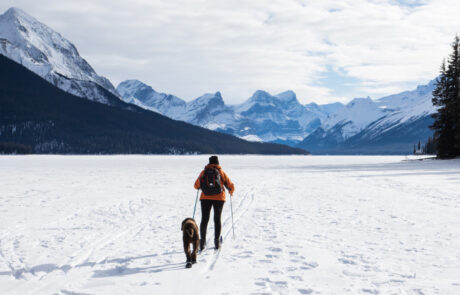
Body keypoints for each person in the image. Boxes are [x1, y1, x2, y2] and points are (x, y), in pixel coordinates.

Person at [194, 155, 234, 250]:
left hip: (205, 198)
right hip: (219, 198)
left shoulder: (204, 172)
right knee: (217, 219)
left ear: (209, 162)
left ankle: (202, 242)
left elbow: (196, 185)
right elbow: (230, 185)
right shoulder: (221, 172)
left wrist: (203, 187)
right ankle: (216, 242)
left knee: (204, 219)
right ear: (217, 163)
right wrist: (230, 191)